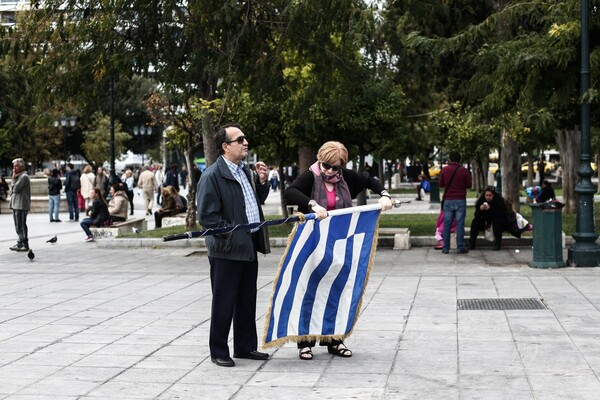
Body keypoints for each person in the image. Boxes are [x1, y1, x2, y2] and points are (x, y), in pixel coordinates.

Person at [284, 141, 393, 361]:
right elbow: (291, 192)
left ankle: (333, 340)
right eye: (327, 166)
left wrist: (384, 194)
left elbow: (368, 180)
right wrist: (313, 204)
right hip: (313, 243)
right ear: (319, 159)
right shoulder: (310, 176)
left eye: (336, 167)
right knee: (309, 291)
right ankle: (304, 342)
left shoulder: (345, 178)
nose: (331, 171)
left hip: (339, 243)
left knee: (336, 289)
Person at [196, 123, 271, 368]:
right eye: (240, 139)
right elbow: (208, 216)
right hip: (227, 249)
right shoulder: (212, 175)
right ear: (225, 146)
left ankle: (245, 346)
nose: (245, 142)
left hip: (248, 245)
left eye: (245, 138)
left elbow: (252, 203)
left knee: (247, 299)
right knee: (224, 301)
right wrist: (231, 234)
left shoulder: (245, 171)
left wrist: (261, 182)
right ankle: (218, 350)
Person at [439, 151, 472, 254]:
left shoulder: (445, 170)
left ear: (449, 159)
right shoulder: (464, 171)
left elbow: (440, 184)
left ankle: (445, 247)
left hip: (448, 200)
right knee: (460, 224)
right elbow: (469, 185)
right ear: (460, 159)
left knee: (447, 224)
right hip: (460, 200)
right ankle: (460, 247)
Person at [469, 186, 506, 251]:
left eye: (490, 195)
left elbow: (501, 214)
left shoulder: (499, 200)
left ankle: (497, 244)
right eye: (486, 195)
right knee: (475, 222)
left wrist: (490, 209)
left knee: (498, 222)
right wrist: (480, 209)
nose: (488, 197)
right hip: (484, 221)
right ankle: (472, 243)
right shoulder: (481, 200)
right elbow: (476, 215)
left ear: (493, 195)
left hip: (496, 221)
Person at [9, 158, 31, 251]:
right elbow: (11, 190)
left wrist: (13, 179)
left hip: (21, 204)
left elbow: (15, 189)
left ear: (21, 166)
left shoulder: (24, 177)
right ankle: (20, 242)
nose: (14, 168)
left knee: (21, 224)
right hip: (15, 204)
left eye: (16, 166)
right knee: (17, 225)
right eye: (13, 166)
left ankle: (25, 244)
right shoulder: (18, 176)